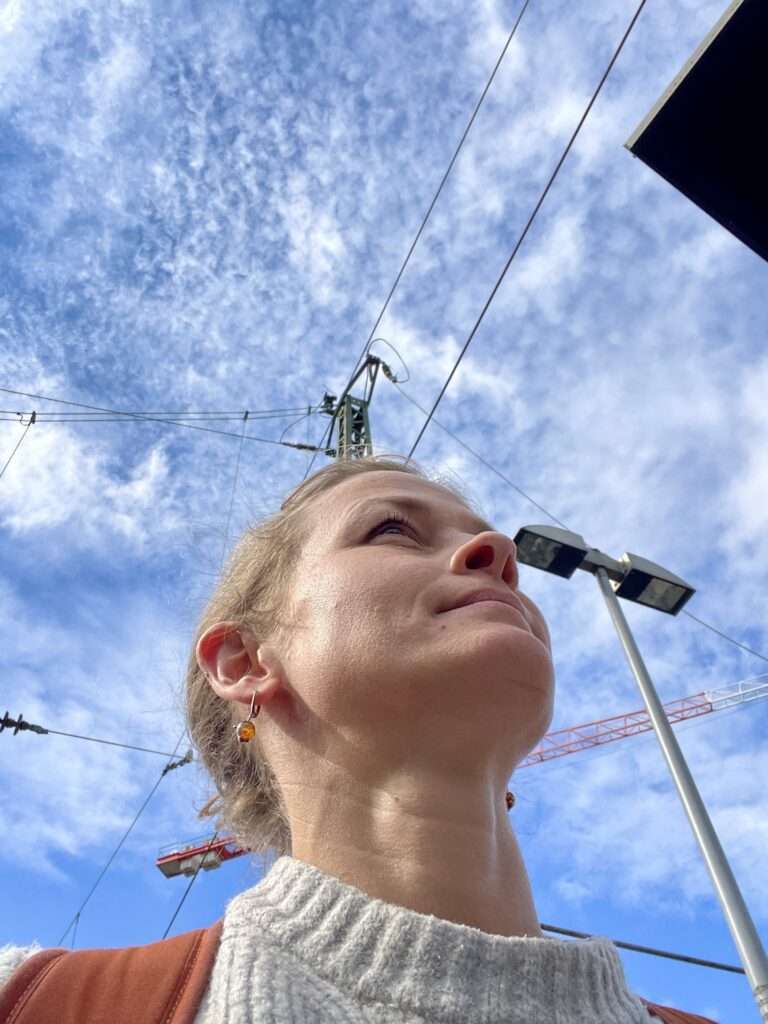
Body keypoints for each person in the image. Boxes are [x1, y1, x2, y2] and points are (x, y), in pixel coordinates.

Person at [0, 455, 716, 1023]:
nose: (496, 549)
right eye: (393, 530)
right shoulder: (33, 1005)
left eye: (488, 540)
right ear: (245, 661)